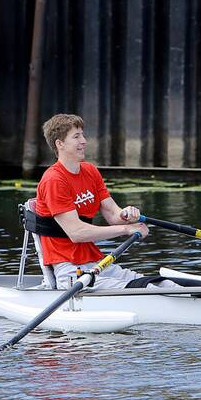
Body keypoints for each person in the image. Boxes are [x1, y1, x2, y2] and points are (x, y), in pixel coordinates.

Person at [34, 113, 169, 290]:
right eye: (76, 137)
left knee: (164, 284)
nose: (84, 141)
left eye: (83, 135)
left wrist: (127, 214)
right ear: (60, 144)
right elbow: (77, 232)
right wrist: (126, 229)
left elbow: (113, 214)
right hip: (69, 269)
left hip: (96, 262)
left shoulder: (90, 171)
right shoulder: (54, 180)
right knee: (148, 290)